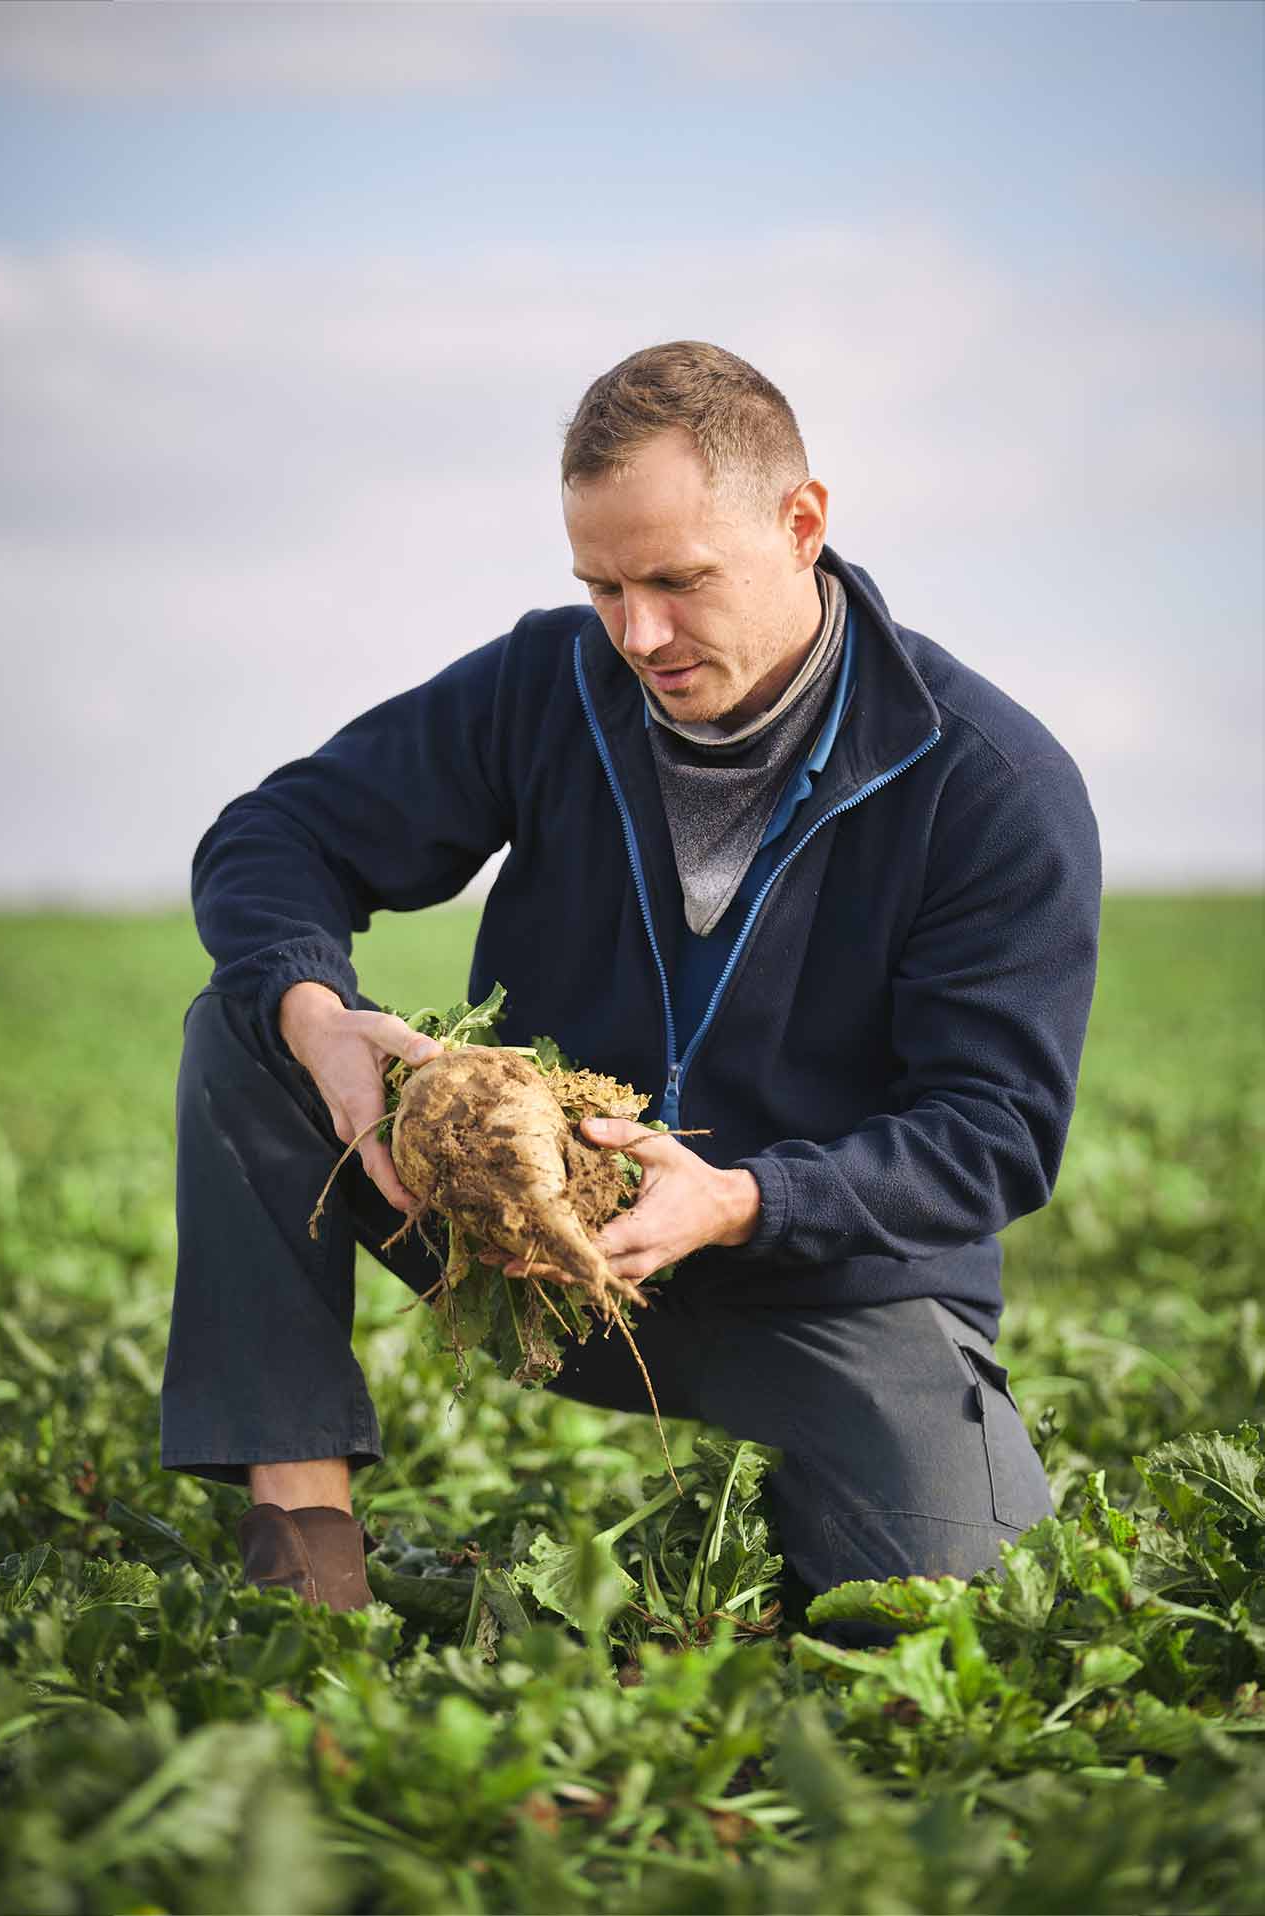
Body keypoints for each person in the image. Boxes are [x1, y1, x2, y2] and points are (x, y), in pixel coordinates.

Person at [165, 341, 1101, 1614]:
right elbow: (274, 836)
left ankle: (814, 1495)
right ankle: (304, 1542)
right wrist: (318, 1015)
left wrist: (736, 1201)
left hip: (813, 1283)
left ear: (801, 522)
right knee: (253, 1023)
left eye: (675, 579)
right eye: (602, 584)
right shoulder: (545, 683)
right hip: (530, 1236)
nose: (638, 632)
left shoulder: (988, 784)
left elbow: (991, 1135)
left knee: (961, 1603)